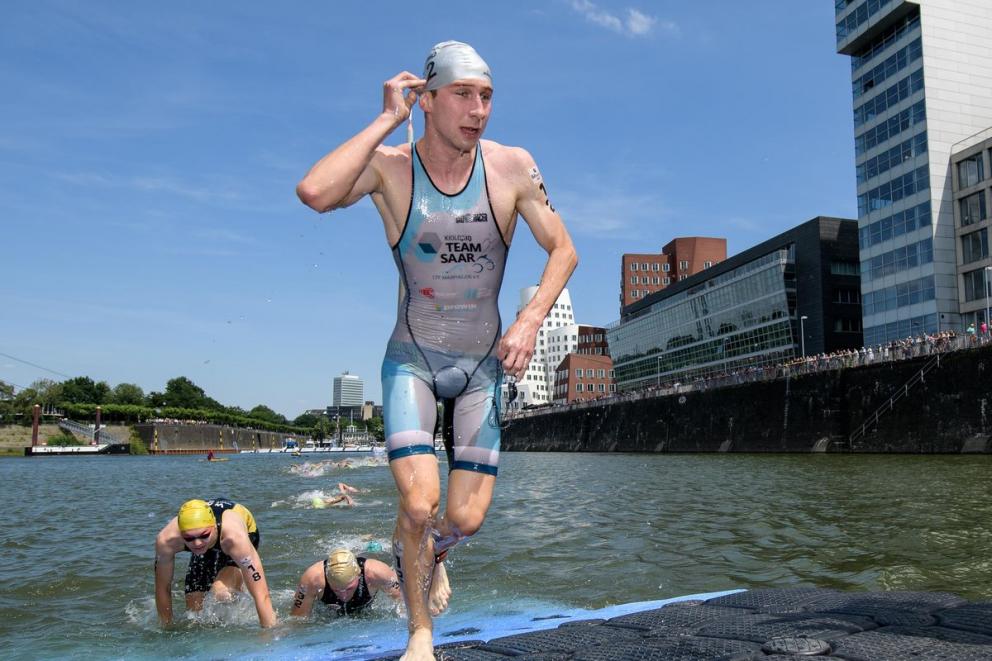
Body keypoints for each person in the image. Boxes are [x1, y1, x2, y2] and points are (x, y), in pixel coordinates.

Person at [296, 40, 577, 659]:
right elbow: (315, 192)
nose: (479, 110)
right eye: (463, 95)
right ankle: (420, 633)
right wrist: (384, 120)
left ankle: (429, 554)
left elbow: (564, 249)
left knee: (465, 519)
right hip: (414, 363)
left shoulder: (512, 167)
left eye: (487, 96)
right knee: (420, 502)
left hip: (482, 370)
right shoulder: (392, 168)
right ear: (426, 100)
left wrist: (530, 320)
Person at [153, 498, 276, 628]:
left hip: (241, 532)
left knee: (220, 592)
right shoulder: (166, 541)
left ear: (213, 527)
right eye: (189, 538)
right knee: (194, 610)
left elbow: (261, 594)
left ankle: (237, 576)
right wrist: (166, 629)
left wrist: (270, 635)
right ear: (180, 534)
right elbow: (162, 587)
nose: (197, 543)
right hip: (211, 541)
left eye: (203, 535)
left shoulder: (234, 539)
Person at [289, 547, 441, 618]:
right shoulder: (311, 580)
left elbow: (407, 600)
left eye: (348, 588)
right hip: (328, 613)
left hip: (363, 609)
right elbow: (298, 620)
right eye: (336, 589)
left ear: (358, 576)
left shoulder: (377, 573)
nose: (343, 594)